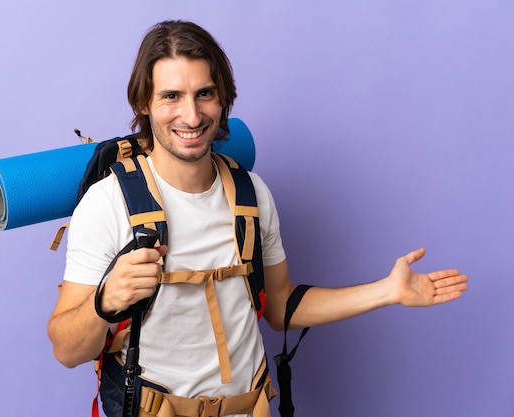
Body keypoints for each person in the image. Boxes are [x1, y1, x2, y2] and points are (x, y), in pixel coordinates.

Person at [47, 20, 469, 417]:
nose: (192, 117)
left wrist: (388, 290)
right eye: (171, 96)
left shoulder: (252, 194)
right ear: (144, 103)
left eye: (205, 94)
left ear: (224, 98)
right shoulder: (108, 204)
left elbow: (281, 306)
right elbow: (66, 350)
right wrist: (105, 301)